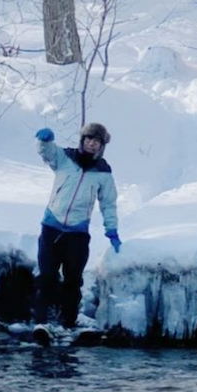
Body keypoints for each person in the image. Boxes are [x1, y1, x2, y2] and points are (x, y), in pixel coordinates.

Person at [33, 122, 120, 327]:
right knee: (47, 276)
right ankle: (43, 321)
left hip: (78, 232)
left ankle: (68, 323)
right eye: (89, 139)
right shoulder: (65, 158)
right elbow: (47, 153)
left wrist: (112, 229)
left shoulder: (103, 172)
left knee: (73, 280)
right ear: (82, 140)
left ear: (101, 146)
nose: (92, 144)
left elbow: (108, 203)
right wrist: (43, 141)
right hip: (51, 226)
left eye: (96, 142)